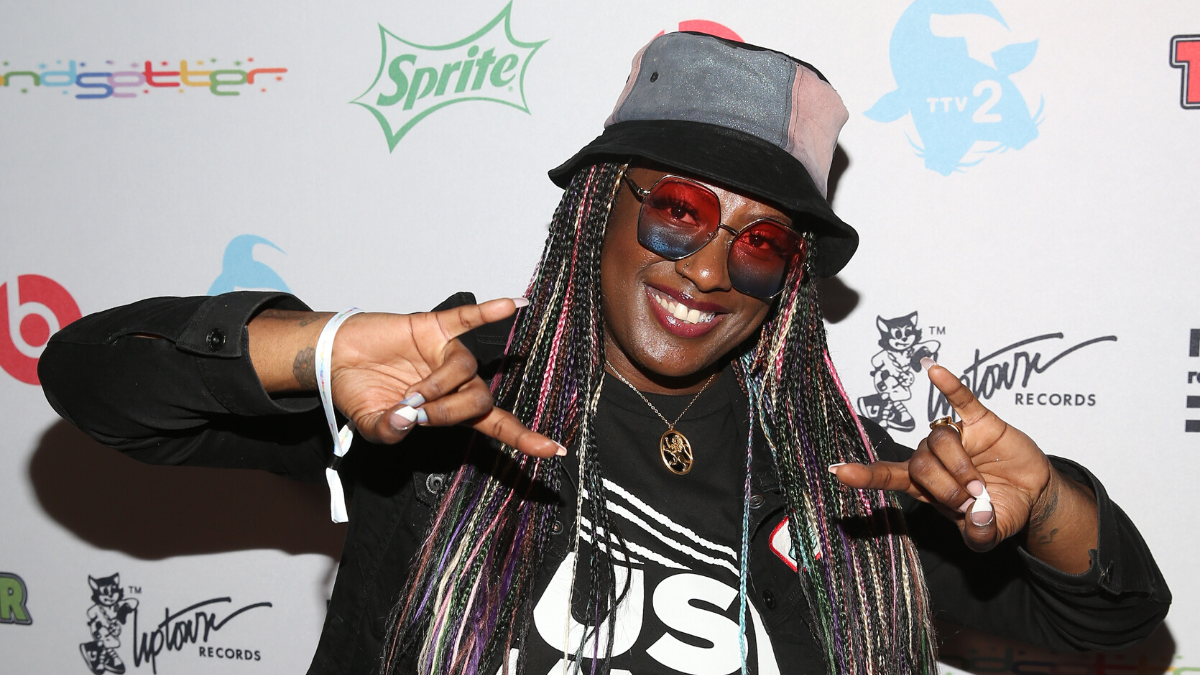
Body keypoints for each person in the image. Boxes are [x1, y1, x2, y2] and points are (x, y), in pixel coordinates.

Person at [40, 32, 1169, 675]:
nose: (709, 266)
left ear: (789, 277)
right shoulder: (443, 400)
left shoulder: (847, 478)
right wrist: (316, 348)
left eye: (761, 241)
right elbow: (95, 381)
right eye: (678, 209)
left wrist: (1047, 506)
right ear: (597, 210)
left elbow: (1117, 620)